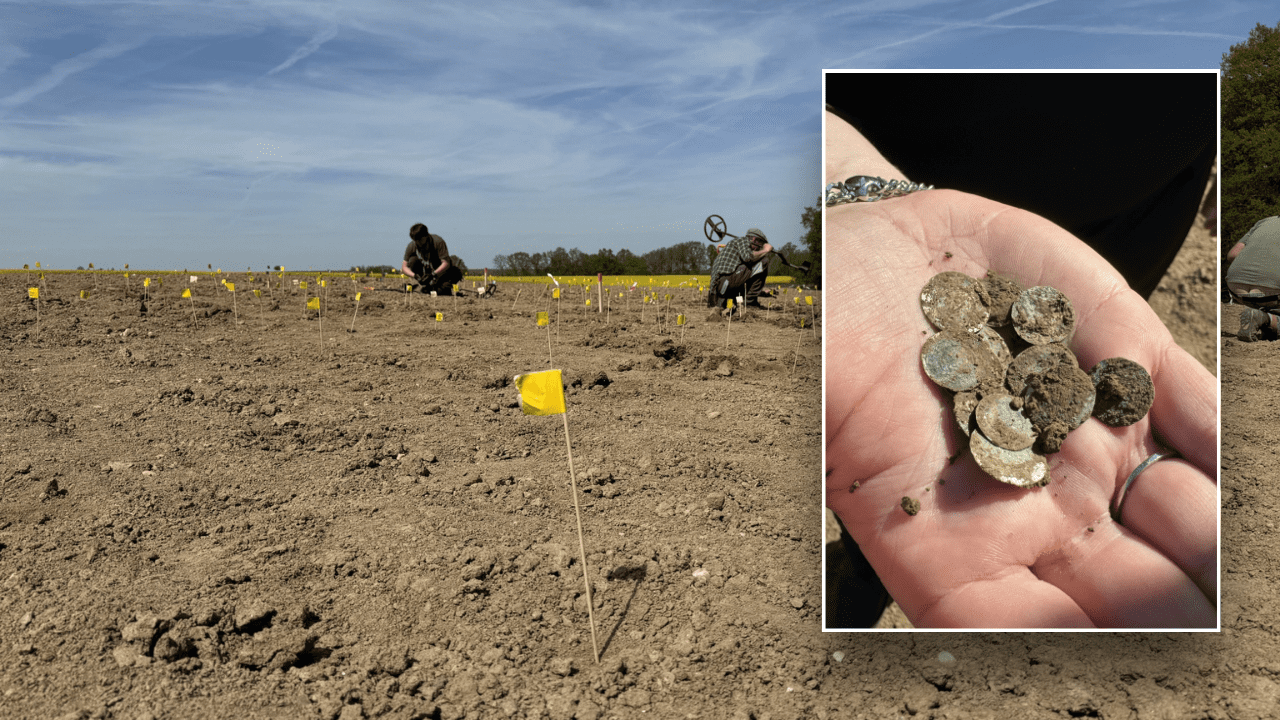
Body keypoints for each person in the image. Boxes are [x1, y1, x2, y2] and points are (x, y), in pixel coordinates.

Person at [823, 99, 1217, 629]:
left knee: (1102, 334)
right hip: (924, 194)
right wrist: (843, 177)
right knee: (889, 472)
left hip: (1145, 198)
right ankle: (867, 568)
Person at [1226, 217, 1280, 341]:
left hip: (1236, 288)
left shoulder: (1264, 222)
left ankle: (1262, 317)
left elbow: (1232, 255)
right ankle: (1265, 319)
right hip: (1272, 291)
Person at [707, 227, 773, 310]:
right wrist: (765, 250)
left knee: (749, 264)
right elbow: (748, 258)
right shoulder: (743, 241)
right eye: (760, 243)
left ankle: (731, 302)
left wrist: (761, 292)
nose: (758, 248)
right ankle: (750, 303)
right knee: (763, 260)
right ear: (754, 239)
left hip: (719, 290)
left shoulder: (732, 248)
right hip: (727, 283)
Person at [401, 223, 463, 295]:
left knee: (442, 291)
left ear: (426, 235)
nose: (418, 242)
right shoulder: (412, 245)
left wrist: (433, 274)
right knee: (412, 260)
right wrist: (415, 276)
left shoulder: (438, 242)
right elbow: (404, 267)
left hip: (440, 272)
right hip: (424, 272)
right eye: (415, 240)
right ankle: (425, 285)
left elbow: (446, 263)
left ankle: (441, 285)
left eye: (420, 239)